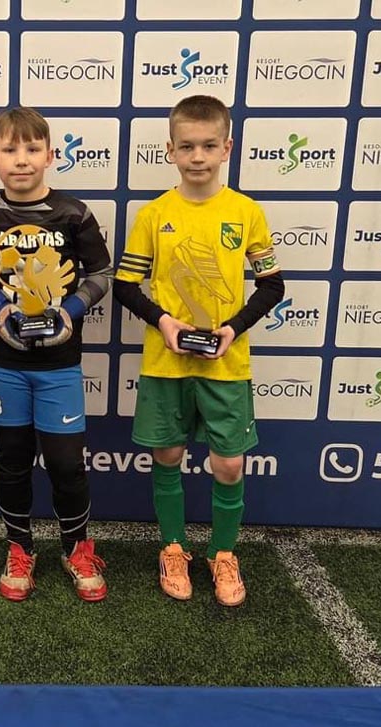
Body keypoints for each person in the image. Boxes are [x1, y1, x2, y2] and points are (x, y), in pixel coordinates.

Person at [113, 94, 285, 607]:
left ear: (227, 148)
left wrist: (232, 329)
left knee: (228, 465)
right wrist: (164, 322)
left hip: (226, 365)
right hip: (166, 362)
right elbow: (125, 286)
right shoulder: (154, 214)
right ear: (170, 150)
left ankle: (223, 553)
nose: (197, 156)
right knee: (167, 455)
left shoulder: (246, 212)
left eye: (209, 145)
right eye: (186, 146)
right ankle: (172, 547)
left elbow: (272, 286)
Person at [0, 107, 113, 602]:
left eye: (32, 149)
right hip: (3, 362)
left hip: (59, 364)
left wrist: (71, 311)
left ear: (50, 155)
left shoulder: (74, 213)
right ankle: (19, 548)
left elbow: (101, 275)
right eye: (10, 149)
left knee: (66, 463)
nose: (21, 160)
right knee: (13, 459)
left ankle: (76, 548)